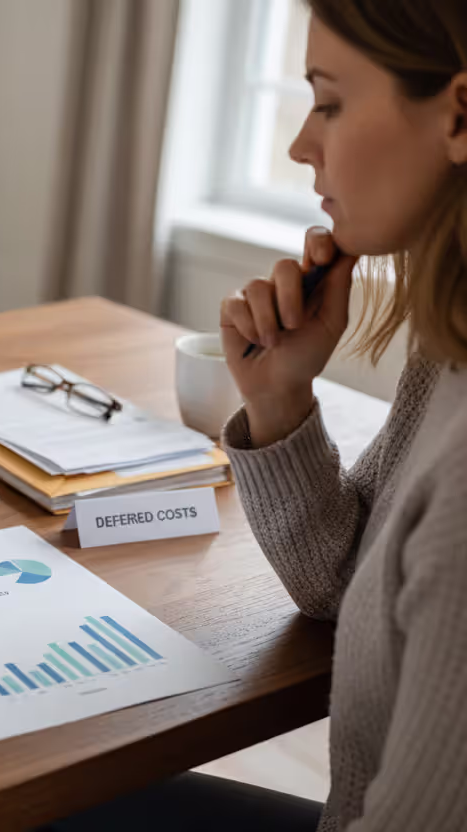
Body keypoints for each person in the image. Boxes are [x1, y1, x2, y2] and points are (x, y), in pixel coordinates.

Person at [45, 0, 467, 829]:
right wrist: (279, 401)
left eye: (330, 101)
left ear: (459, 115)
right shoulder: (447, 355)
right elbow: (343, 588)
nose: (300, 144)